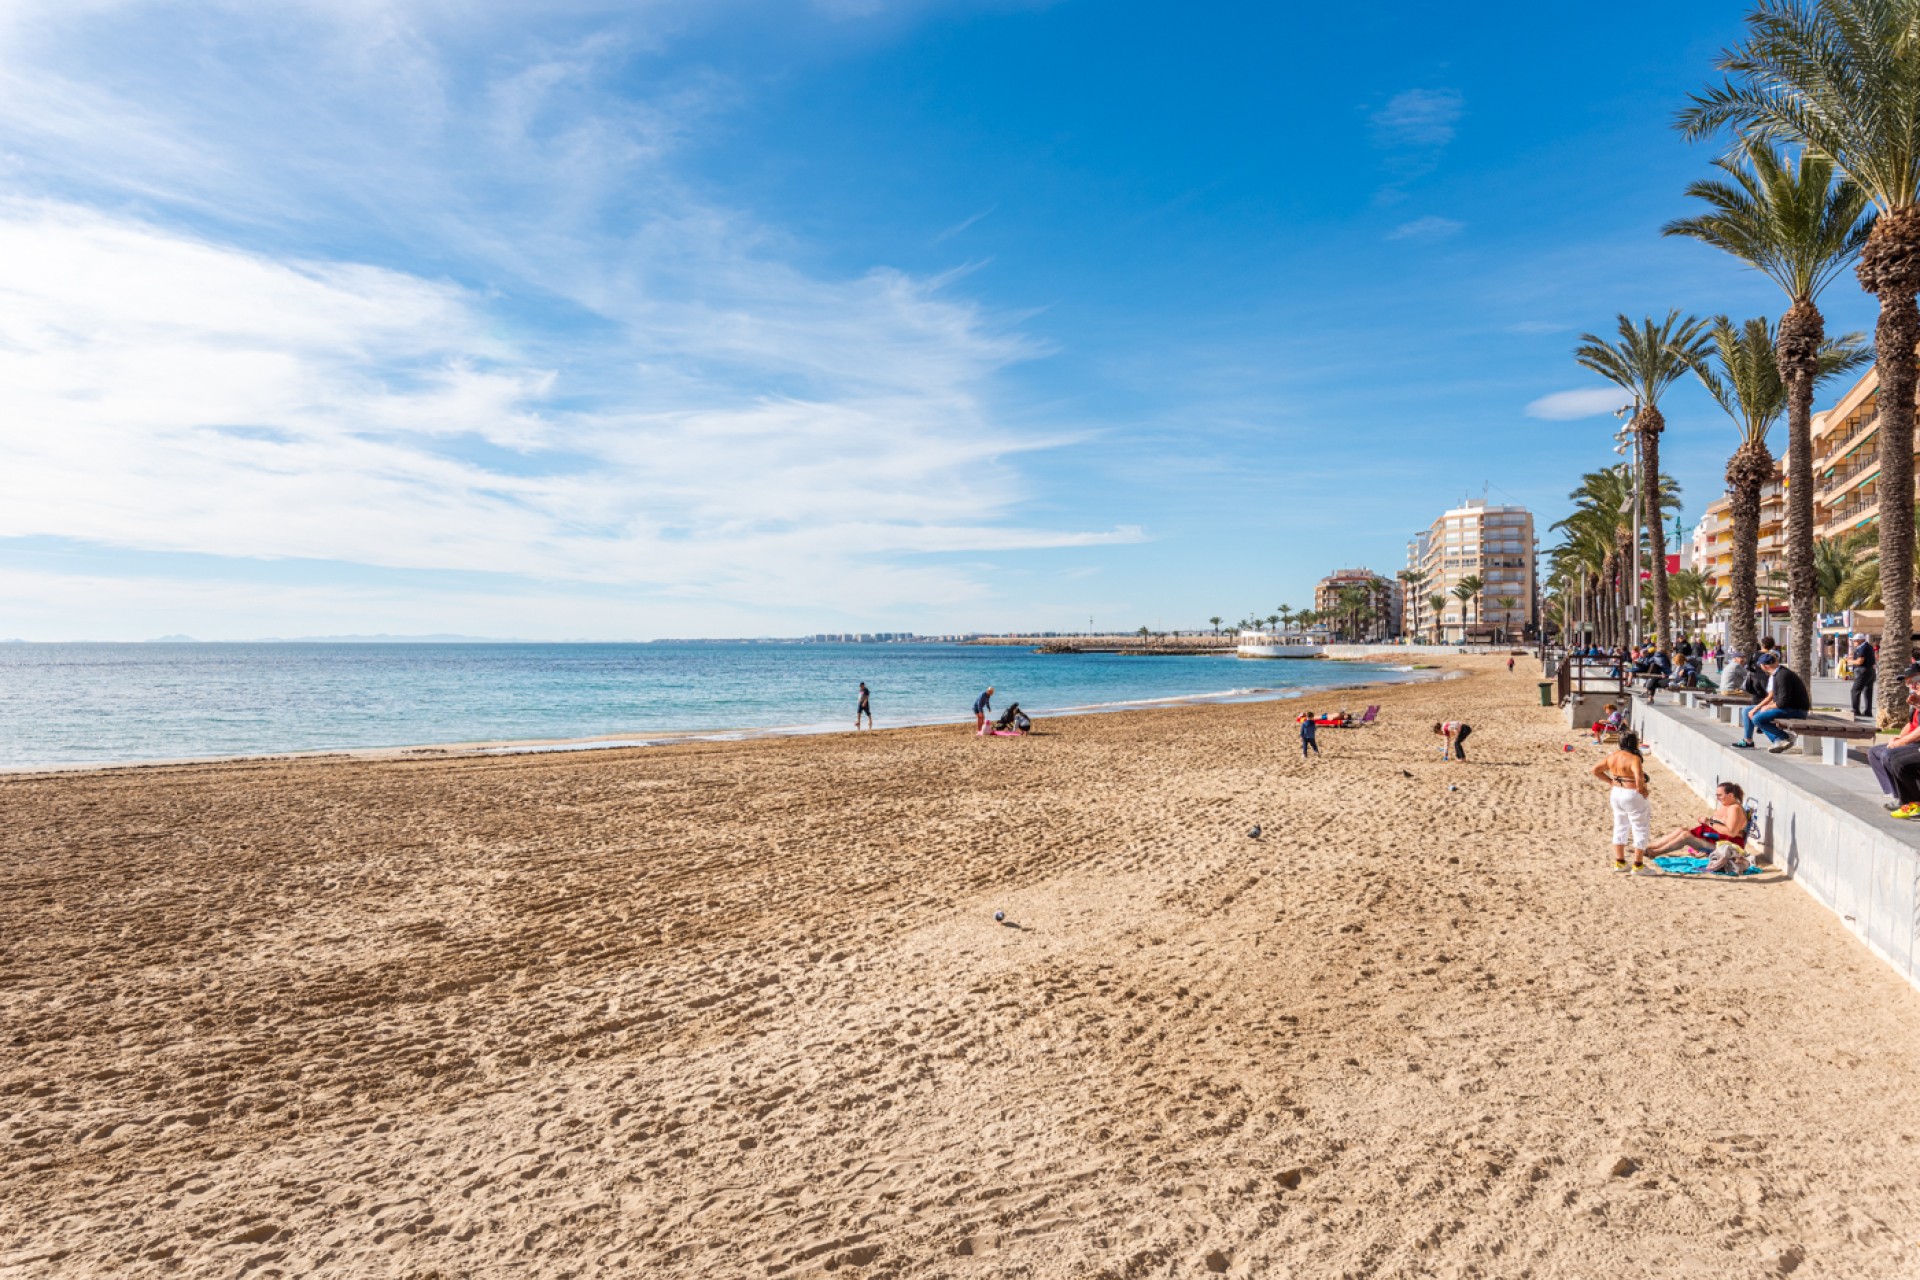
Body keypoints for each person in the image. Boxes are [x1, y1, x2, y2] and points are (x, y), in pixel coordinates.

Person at [1647, 780, 1749, 868]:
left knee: (1685, 836)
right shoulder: (1727, 805)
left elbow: (1731, 832)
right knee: (1681, 830)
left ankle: (1656, 852)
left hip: (1727, 847)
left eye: (1720, 795)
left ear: (1730, 795)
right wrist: (1708, 822)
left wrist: (1709, 822)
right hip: (1716, 840)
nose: (1717, 798)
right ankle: (1652, 846)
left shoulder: (1734, 809)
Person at [1593, 730, 1652, 874]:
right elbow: (1639, 779)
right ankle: (1638, 865)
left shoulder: (1612, 756)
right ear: (1634, 742)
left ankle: (1620, 862)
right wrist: (1644, 791)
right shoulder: (1634, 758)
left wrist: (1611, 782)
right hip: (1631, 794)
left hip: (1616, 793)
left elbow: (1595, 770)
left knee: (1620, 825)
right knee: (1640, 827)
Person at [1868, 662, 1920, 818]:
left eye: (1914, 681)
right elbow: (1911, 724)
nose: (1911, 685)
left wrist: (1901, 743)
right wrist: (1900, 737)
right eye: (1908, 683)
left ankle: (1913, 802)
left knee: (1892, 757)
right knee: (1875, 752)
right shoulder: (1915, 698)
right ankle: (1898, 795)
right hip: (1915, 741)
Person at [1732, 652, 1810, 753]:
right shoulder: (1776, 674)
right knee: (1747, 710)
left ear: (1764, 666)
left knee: (1758, 718)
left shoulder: (1783, 676)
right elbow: (1773, 696)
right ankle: (1748, 741)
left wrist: (1768, 707)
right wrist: (1757, 708)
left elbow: (1783, 702)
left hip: (1796, 710)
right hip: (1787, 707)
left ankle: (1784, 737)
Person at [1850, 632, 1877, 719]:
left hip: (1863, 671)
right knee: (1867, 691)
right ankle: (1868, 711)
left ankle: (1855, 710)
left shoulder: (1863, 647)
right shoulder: (1868, 647)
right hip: (1870, 671)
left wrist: (1850, 662)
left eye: (1855, 641)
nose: (1854, 642)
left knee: (1855, 690)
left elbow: (1860, 661)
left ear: (1860, 640)